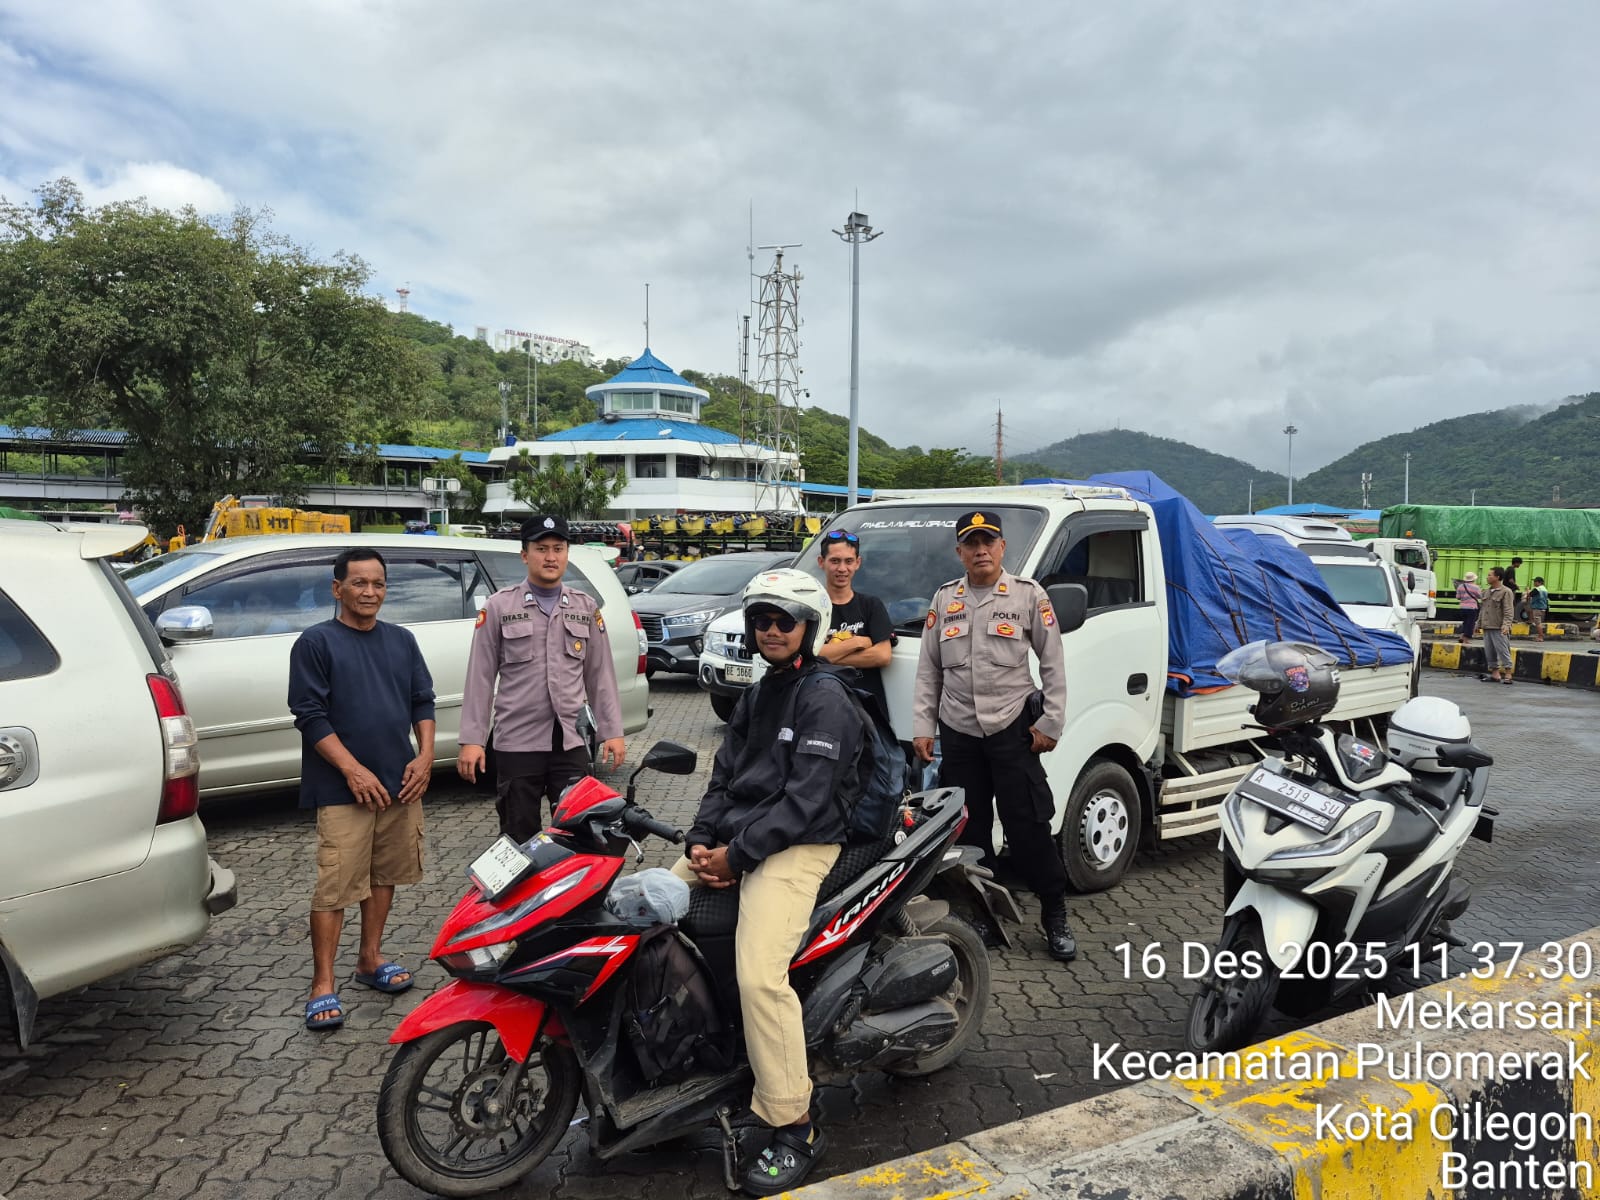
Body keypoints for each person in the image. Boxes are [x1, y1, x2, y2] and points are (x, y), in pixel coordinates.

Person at [671, 568, 859, 1195]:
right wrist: (700, 840)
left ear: (810, 627)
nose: (771, 630)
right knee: (649, 914)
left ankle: (795, 1122)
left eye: (784, 621)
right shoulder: (757, 693)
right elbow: (723, 778)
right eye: (761, 620)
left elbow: (806, 801)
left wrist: (737, 857)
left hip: (800, 845)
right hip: (741, 840)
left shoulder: (825, 697)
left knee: (759, 976)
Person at [910, 510, 1077, 963]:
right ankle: (983, 913)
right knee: (971, 828)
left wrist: (1050, 722)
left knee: (1028, 825)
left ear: (1002, 547)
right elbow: (928, 670)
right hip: (959, 731)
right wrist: (923, 726)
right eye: (971, 543)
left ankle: (1054, 913)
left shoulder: (1028, 595)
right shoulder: (945, 599)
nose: (980, 550)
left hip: (1012, 728)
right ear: (960, 551)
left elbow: (1053, 663)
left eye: (988, 542)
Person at [288, 548, 436, 1032]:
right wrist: (352, 770)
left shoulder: (402, 640)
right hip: (341, 789)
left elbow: (422, 701)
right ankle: (322, 984)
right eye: (359, 583)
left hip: (398, 784)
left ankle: (370, 959)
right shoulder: (316, 643)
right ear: (338, 589)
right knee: (335, 886)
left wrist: (425, 756)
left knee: (383, 875)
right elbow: (309, 715)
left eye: (378, 583)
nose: (370, 592)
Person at [458, 514, 626, 843]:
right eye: (541, 549)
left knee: (578, 833)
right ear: (525, 555)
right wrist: (472, 740)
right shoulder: (499, 607)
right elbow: (479, 678)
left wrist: (612, 731)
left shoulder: (584, 608)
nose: (550, 557)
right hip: (517, 741)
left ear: (567, 554)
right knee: (518, 835)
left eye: (558, 549)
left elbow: (600, 675)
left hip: (571, 741)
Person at [813, 529, 894, 715]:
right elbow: (807, 656)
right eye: (835, 561)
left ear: (858, 563)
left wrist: (824, 658)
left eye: (849, 561)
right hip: (822, 708)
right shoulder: (813, 609)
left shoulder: (871, 605)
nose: (842, 569)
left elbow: (882, 656)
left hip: (868, 711)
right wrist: (857, 642)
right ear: (821, 562)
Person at [1478, 567, 1515, 684]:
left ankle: (1508, 673)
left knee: (1503, 650)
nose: (1487, 577)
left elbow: (1508, 610)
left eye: (1490, 575)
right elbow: (1483, 609)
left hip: (1499, 626)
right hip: (1487, 625)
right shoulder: (1486, 592)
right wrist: (1478, 623)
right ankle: (1495, 674)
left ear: (1497, 577)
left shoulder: (1506, 592)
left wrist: (1506, 625)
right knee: (1490, 651)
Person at [1454, 572, 1482, 644]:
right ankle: (1465, 639)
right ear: (1474, 579)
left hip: (1462, 608)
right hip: (1472, 608)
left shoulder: (1460, 586)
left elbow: (1458, 597)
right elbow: (1480, 596)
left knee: (1465, 623)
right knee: (1470, 624)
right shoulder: (1476, 587)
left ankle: (1461, 637)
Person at [1527, 576, 1550, 641]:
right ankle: (1540, 636)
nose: (1534, 583)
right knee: (1539, 622)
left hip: (1537, 608)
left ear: (1539, 582)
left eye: (1535, 582)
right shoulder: (1545, 589)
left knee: (1538, 623)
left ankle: (1540, 637)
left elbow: (1530, 595)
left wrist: (1528, 590)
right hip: (1543, 607)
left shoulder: (1538, 589)